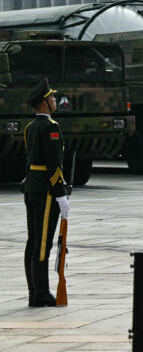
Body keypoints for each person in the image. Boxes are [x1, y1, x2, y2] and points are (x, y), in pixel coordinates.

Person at [22, 77, 69, 307]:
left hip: (32, 186)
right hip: (45, 191)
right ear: (44, 103)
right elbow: (53, 164)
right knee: (42, 243)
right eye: (51, 97)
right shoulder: (51, 127)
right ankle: (41, 292)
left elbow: (30, 159)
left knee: (33, 240)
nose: (54, 99)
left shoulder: (30, 127)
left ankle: (34, 292)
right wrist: (60, 193)